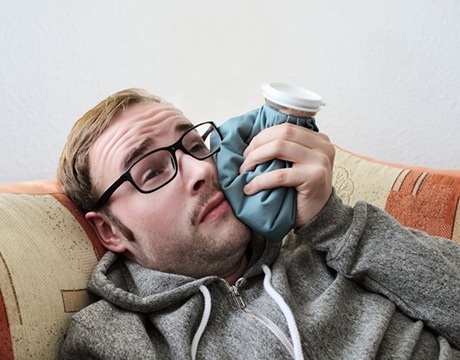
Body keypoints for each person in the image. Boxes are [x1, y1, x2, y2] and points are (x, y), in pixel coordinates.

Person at [58, 88, 460, 360]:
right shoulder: (113, 339)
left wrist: (332, 225)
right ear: (110, 231)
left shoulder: (337, 244)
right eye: (150, 172)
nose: (202, 169)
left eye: (196, 146)